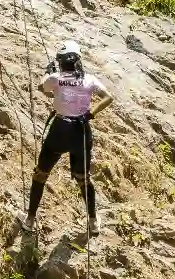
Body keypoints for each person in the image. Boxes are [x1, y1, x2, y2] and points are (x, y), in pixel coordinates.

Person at [22, 40, 113, 236]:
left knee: (40, 175)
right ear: (78, 60)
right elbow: (108, 97)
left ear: (61, 62)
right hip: (81, 130)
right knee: (83, 179)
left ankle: (29, 220)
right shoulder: (89, 79)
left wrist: (48, 72)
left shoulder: (56, 77)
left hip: (59, 130)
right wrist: (90, 114)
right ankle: (93, 221)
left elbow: (41, 87)